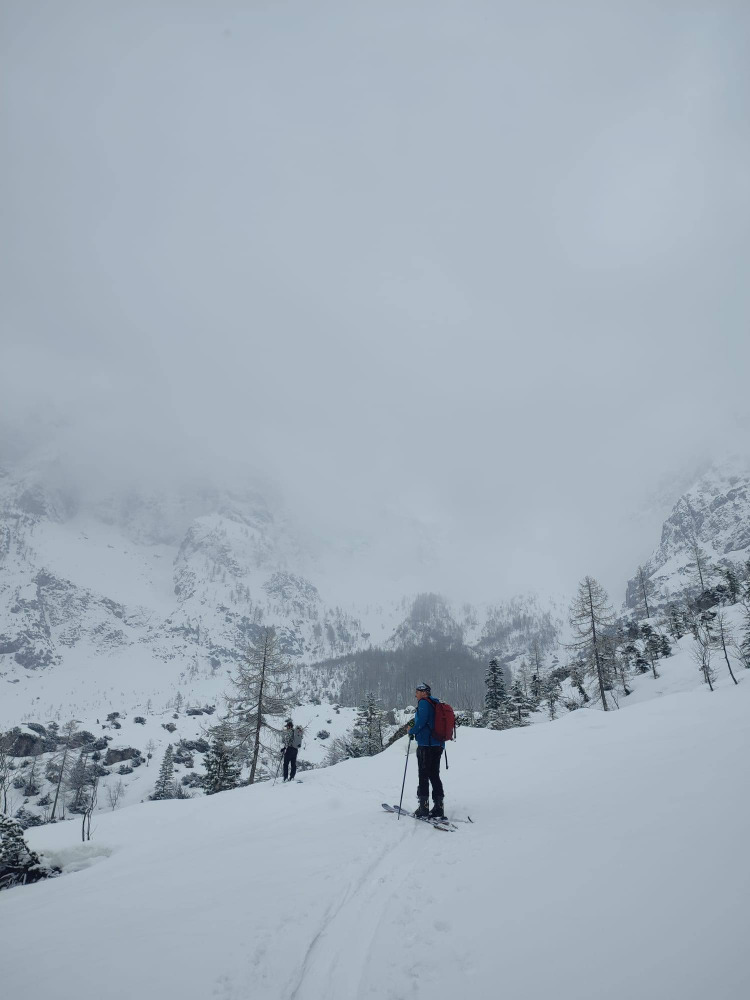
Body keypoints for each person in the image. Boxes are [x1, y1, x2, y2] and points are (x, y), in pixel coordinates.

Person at [408, 683, 445, 819]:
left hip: (426, 745)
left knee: (423, 775)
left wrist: (411, 731)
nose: (415, 694)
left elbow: (421, 721)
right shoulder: (435, 703)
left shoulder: (424, 703)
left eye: (417, 692)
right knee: (434, 775)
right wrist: (412, 725)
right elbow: (422, 720)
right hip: (438, 744)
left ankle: (423, 808)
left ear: (424, 692)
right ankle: (439, 807)